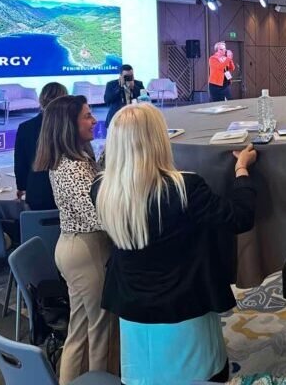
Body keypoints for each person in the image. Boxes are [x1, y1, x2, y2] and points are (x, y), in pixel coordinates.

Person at [94, 104, 257, 384]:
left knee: (144, 377)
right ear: (158, 139)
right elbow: (240, 218)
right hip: (186, 303)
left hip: (132, 306)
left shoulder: (101, 189)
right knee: (199, 375)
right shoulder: (185, 188)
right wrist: (241, 169)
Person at [33, 95, 117, 383]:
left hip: (75, 247)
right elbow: (98, 216)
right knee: (100, 329)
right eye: (87, 116)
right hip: (86, 249)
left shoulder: (73, 160)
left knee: (79, 329)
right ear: (69, 125)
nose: (94, 121)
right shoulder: (73, 168)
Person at [15, 82, 68, 210]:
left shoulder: (25, 127)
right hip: (68, 195)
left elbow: (20, 163)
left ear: (41, 100)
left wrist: (22, 187)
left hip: (37, 194)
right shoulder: (71, 126)